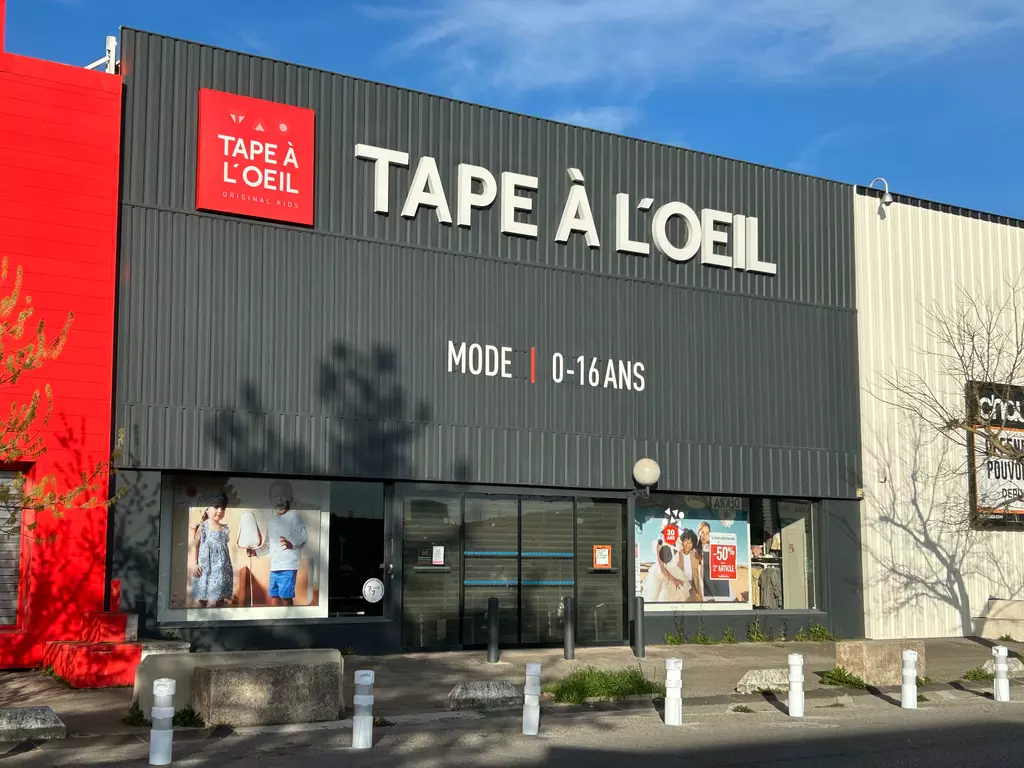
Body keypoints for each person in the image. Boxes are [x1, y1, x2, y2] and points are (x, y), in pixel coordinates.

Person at [247, 481, 307, 606]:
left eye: (283, 495)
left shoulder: (294, 517)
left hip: (288, 566)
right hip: (274, 566)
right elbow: (268, 544)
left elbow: (302, 536)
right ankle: (275, 617)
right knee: (274, 595)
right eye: (275, 496)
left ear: (291, 498)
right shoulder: (271, 521)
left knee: (286, 596)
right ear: (270, 500)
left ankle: (289, 616)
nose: (279, 499)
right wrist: (255, 552)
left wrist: (291, 543)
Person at [190, 494, 234, 607]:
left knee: (218, 598)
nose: (220, 511)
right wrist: (194, 564)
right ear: (207, 509)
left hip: (221, 570)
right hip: (205, 568)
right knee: (202, 598)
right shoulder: (203, 527)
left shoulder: (224, 529)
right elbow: (195, 545)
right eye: (216, 507)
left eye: (222, 508)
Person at [697, 521, 737, 602]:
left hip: (720, 585)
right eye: (703, 532)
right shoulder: (696, 549)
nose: (705, 535)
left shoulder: (714, 546)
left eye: (707, 533)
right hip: (707, 587)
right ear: (699, 533)